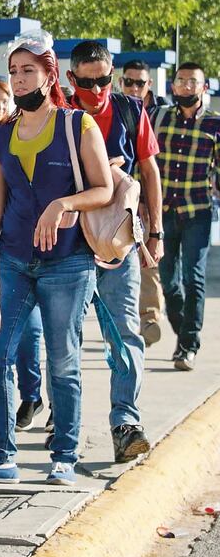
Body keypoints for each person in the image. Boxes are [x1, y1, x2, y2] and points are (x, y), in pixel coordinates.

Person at [0, 30, 113, 487]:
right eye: (13, 72)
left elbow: (102, 188)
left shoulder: (75, 125)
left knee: (62, 361)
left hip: (68, 263)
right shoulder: (1, 138)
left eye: (28, 71)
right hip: (13, 261)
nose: (19, 80)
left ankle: (64, 455)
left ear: (50, 75)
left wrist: (64, 204)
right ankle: (1, 458)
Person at [65, 41, 162, 463]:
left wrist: (154, 230)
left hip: (119, 237)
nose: (98, 89)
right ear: (72, 79)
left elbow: (151, 168)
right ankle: (63, 422)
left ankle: (125, 422)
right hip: (70, 243)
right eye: (87, 83)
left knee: (124, 330)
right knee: (64, 337)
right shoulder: (60, 113)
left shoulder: (129, 109)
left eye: (104, 79)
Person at [0, 77, 46, 433]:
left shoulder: (18, 134)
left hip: (21, 245)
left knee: (29, 330)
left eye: (6, 101)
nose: (1, 107)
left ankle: (32, 394)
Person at [151, 62, 220, 371]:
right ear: (173, 87)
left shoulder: (215, 124)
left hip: (198, 211)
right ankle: (184, 334)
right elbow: (145, 163)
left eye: (193, 82)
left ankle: (188, 345)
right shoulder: (159, 117)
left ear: (203, 88)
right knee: (167, 280)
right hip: (162, 211)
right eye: (181, 81)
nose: (187, 86)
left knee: (193, 277)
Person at [120, 59, 169, 347]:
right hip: (121, 205)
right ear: (121, 81)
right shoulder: (117, 109)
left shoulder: (161, 115)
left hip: (148, 203)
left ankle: (149, 318)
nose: (134, 87)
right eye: (129, 81)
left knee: (149, 262)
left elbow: (154, 168)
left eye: (140, 82)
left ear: (149, 85)